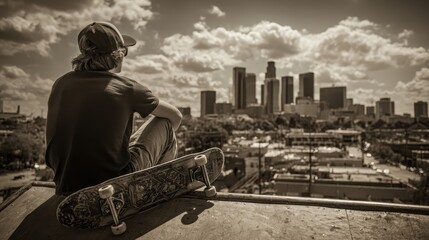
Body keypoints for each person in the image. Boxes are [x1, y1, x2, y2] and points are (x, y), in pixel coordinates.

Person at [46, 22, 182, 196]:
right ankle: (157, 189)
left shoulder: (60, 84)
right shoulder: (126, 88)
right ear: (118, 55)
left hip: (66, 188)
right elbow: (175, 117)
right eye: (124, 50)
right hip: (113, 188)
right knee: (165, 123)